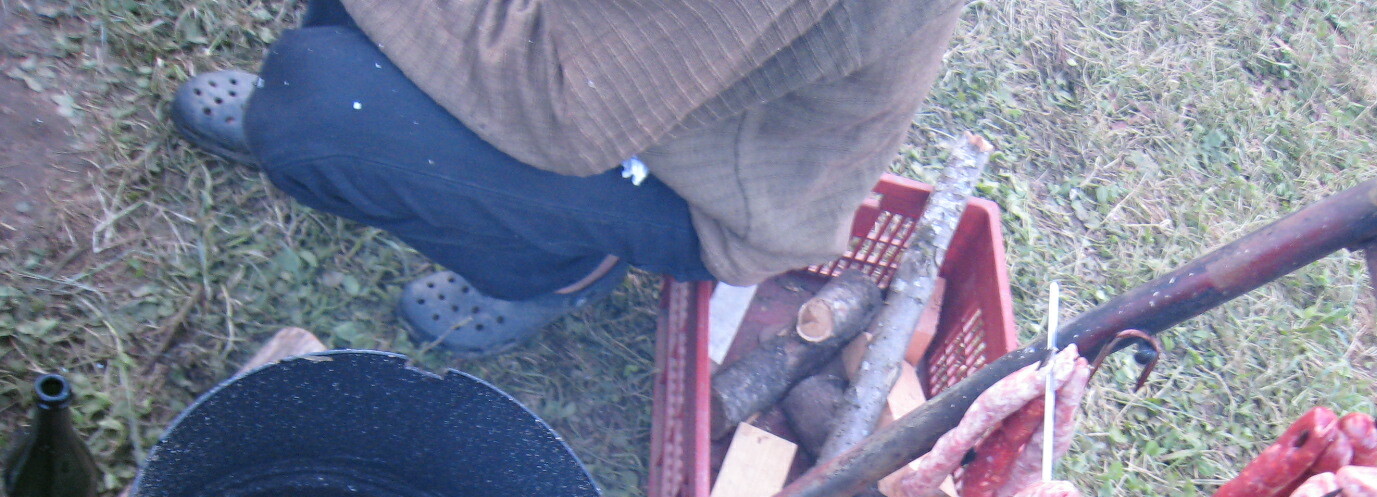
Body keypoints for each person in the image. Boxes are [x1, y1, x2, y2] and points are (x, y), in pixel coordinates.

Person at [172, 0, 965, 355]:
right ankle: (341, 56)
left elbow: (563, 105)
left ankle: (558, 269)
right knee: (340, 60)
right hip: (621, 72)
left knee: (315, 108)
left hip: (701, 178)